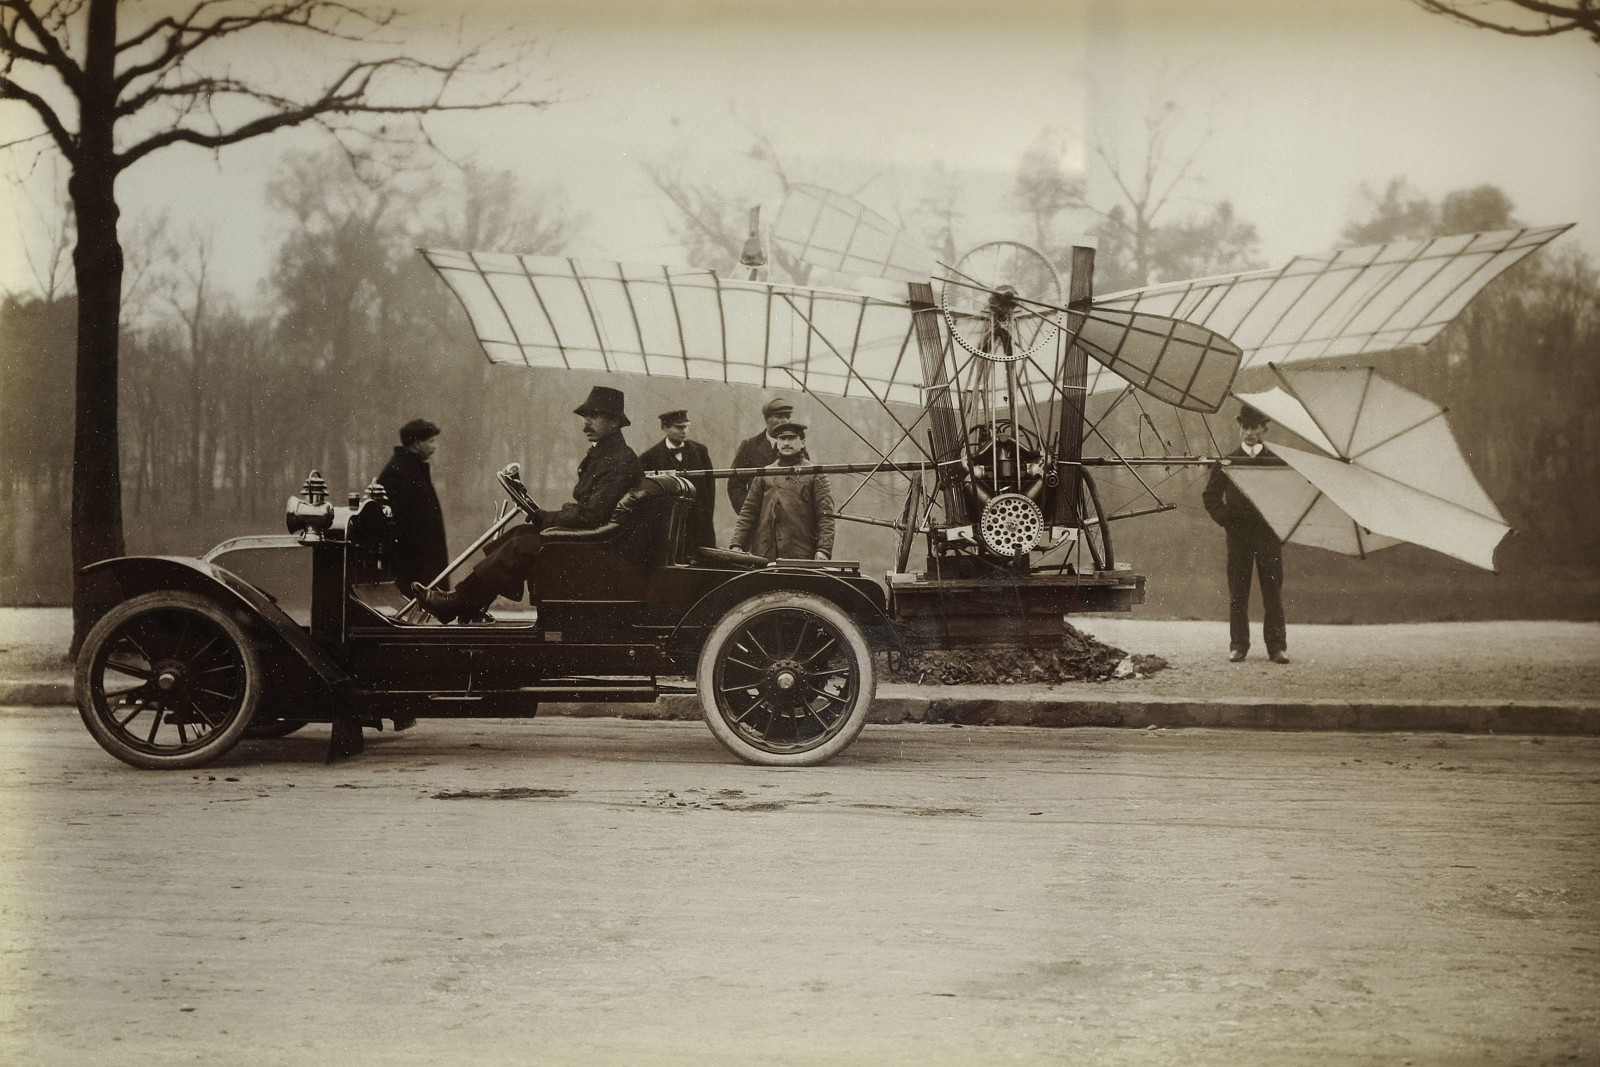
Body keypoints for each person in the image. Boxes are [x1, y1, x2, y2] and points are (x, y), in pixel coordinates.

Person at [412, 386, 643, 623]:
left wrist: (546, 517)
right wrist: (542, 516)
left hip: (601, 548)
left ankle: (457, 603)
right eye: (585, 416)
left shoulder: (619, 460)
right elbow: (591, 511)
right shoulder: (607, 454)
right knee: (518, 534)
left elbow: (591, 515)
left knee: (521, 546)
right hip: (595, 540)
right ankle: (468, 602)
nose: (586, 422)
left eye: (594, 416)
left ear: (614, 422)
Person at [1203, 404, 1289, 664]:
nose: (1248, 432)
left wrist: (1280, 522)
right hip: (1239, 536)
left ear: (1264, 429)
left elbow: (1291, 496)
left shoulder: (1277, 461)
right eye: (1244, 427)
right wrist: (1227, 519)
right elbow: (1210, 496)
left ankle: (1277, 647)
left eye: (1254, 427)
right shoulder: (1228, 462)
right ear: (1239, 429)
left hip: (1268, 536)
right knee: (1238, 592)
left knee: (1272, 592)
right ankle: (1238, 645)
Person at [730, 421, 834, 561]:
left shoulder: (815, 475)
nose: (786, 443)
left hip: (800, 556)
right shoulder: (764, 473)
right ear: (777, 443)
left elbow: (825, 516)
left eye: (791, 438)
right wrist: (737, 544)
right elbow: (748, 513)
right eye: (782, 438)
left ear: (802, 442)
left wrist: (824, 550)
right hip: (764, 556)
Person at [376, 418, 448, 596]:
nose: (434, 446)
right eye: (430, 441)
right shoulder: (398, 472)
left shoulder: (412, 468)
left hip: (423, 556)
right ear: (416, 444)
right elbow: (400, 524)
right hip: (412, 561)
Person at [639, 409, 717, 550]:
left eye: (686, 426)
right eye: (678, 427)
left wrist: (706, 519)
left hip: (697, 523)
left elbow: (709, 489)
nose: (684, 431)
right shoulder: (649, 457)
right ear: (665, 428)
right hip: (667, 525)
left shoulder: (700, 451)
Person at [727, 396, 794, 516]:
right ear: (767, 419)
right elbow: (735, 485)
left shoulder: (798, 448)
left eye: (788, 417)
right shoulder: (750, 446)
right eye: (779, 416)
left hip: (789, 519)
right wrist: (749, 514)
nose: (785, 421)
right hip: (759, 518)